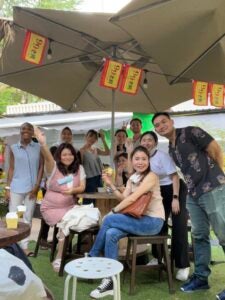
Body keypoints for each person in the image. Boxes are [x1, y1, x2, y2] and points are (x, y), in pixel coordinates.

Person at [152, 112, 225, 298]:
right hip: (193, 194)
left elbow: (215, 149)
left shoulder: (191, 131)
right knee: (199, 235)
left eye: (163, 122)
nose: (161, 126)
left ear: (172, 122)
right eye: (157, 125)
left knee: (223, 234)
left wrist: (220, 177)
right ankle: (201, 278)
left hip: (213, 188)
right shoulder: (170, 148)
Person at [88, 145, 165, 299]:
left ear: (149, 161)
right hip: (136, 219)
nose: (140, 162)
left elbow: (133, 198)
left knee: (109, 219)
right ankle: (110, 280)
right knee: (111, 233)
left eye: (144, 159)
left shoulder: (152, 176)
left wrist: (114, 211)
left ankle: (92, 257)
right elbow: (124, 198)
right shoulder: (132, 178)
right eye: (137, 159)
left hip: (152, 222)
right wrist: (110, 184)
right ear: (132, 161)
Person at [34, 127, 86, 272]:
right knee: (67, 222)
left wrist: (72, 190)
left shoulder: (79, 169)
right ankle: (59, 257)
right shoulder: (54, 167)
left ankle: (75, 252)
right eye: (64, 155)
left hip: (70, 207)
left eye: (70, 154)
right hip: (51, 208)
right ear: (59, 156)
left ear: (74, 156)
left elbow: (82, 187)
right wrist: (43, 144)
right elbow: (48, 157)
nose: (68, 157)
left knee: (82, 219)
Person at [140, 131, 190, 281]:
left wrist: (175, 198)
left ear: (155, 143)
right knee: (158, 223)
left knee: (179, 225)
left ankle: (182, 265)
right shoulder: (141, 158)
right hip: (158, 192)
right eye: (144, 140)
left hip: (175, 189)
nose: (147, 143)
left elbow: (174, 177)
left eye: (150, 140)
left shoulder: (161, 156)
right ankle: (158, 257)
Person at [6, 123, 44, 256]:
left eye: (29, 129)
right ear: (20, 131)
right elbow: (10, 168)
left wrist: (37, 187)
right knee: (13, 217)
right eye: (23, 129)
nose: (26, 131)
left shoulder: (39, 147)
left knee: (28, 217)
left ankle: (25, 247)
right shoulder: (13, 148)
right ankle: (11, 246)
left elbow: (41, 167)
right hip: (16, 187)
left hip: (31, 189)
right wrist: (7, 187)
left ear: (33, 132)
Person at [80, 129, 110, 204]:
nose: (92, 139)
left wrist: (103, 139)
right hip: (89, 179)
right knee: (89, 200)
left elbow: (107, 152)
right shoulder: (82, 151)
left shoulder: (95, 149)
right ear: (85, 137)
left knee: (99, 199)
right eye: (90, 136)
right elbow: (80, 166)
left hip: (99, 177)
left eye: (95, 137)